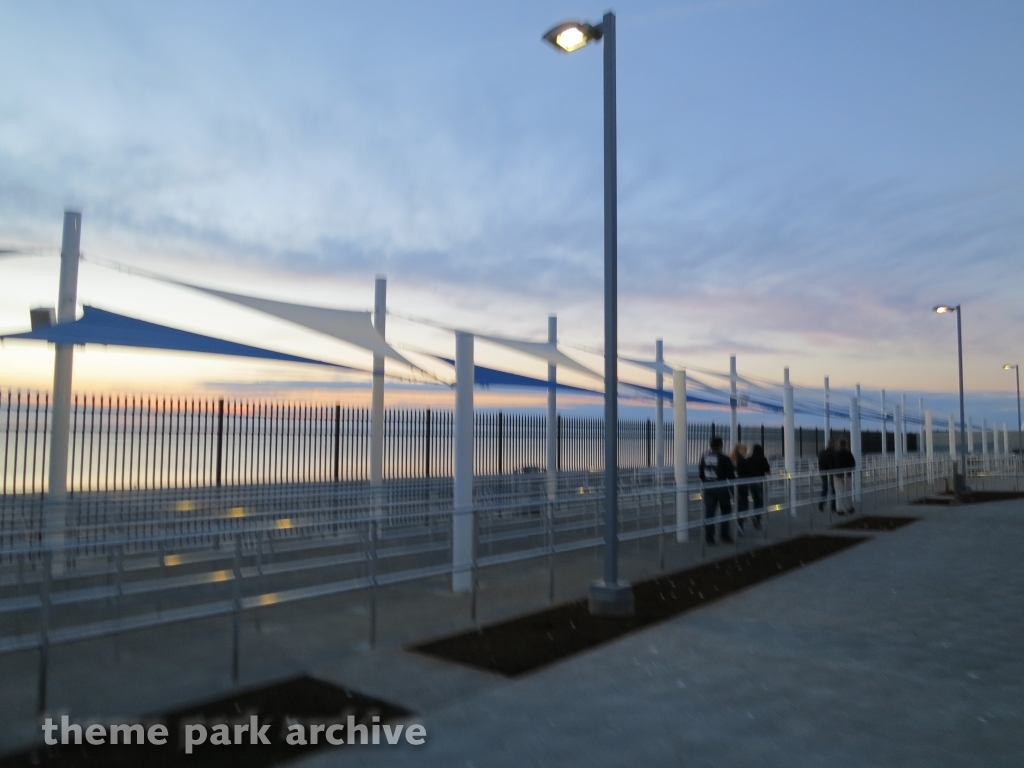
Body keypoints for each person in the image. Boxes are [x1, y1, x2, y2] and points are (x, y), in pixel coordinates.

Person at [699, 436, 736, 544]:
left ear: (710, 445)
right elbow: (731, 475)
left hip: (708, 488)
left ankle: (709, 537)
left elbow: (701, 472)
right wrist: (733, 491)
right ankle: (724, 535)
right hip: (721, 488)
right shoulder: (725, 458)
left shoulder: (704, 457)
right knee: (726, 510)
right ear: (720, 445)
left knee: (709, 512)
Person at [745, 443, 771, 528]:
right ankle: (757, 517)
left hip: (751, 482)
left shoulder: (748, 459)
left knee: (755, 500)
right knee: (761, 501)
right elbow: (767, 469)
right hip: (760, 482)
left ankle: (756, 517)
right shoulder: (762, 459)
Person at [833, 438, 856, 514]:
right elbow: (853, 464)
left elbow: (831, 464)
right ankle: (849, 507)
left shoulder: (835, 453)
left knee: (839, 492)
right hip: (846, 474)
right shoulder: (848, 453)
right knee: (848, 491)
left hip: (837, 474)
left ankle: (839, 509)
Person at [731, 443, 750, 533]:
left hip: (733, 485)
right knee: (744, 505)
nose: (746, 452)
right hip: (742, 485)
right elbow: (750, 472)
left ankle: (738, 523)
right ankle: (740, 523)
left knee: (738, 504)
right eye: (744, 451)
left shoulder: (731, 460)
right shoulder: (743, 461)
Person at [818, 438, 837, 512]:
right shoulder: (834, 453)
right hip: (831, 472)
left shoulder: (822, 452)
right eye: (835, 444)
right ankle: (833, 506)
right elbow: (833, 463)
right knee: (834, 489)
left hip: (823, 472)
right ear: (832, 444)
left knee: (825, 489)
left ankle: (821, 503)